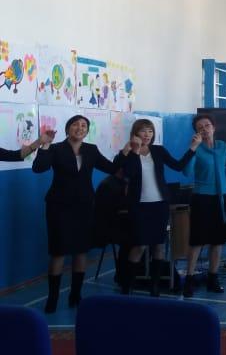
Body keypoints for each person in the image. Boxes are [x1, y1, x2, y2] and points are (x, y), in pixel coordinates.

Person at [32, 115, 121, 313]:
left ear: (87, 131)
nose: (80, 128)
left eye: (83, 126)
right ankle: (53, 298)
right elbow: (38, 168)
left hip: (84, 206)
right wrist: (45, 145)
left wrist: (125, 153)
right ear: (67, 129)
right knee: (58, 251)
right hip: (59, 207)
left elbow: (111, 168)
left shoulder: (91, 149)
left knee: (81, 250)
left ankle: (76, 294)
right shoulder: (56, 148)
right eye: (75, 125)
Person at [117, 119, 201, 296]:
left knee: (159, 245)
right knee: (139, 245)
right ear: (135, 133)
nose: (147, 135)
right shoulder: (127, 153)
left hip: (160, 204)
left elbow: (178, 166)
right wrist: (134, 151)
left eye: (150, 131)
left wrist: (192, 148)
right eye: (143, 131)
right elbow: (127, 174)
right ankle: (127, 285)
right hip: (138, 206)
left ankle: (154, 286)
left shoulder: (158, 150)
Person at [181, 113, 226, 298]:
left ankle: (213, 278)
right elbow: (186, 172)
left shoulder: (222, 146)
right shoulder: (197, 148)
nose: (204, 129)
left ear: (214, 128)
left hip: (221, 198)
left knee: (217, 241)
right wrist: (193, 148)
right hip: (202, 198)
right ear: (196, 132)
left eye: (207, 125)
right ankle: (189, 279)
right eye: (200, 127)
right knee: (197, 241)